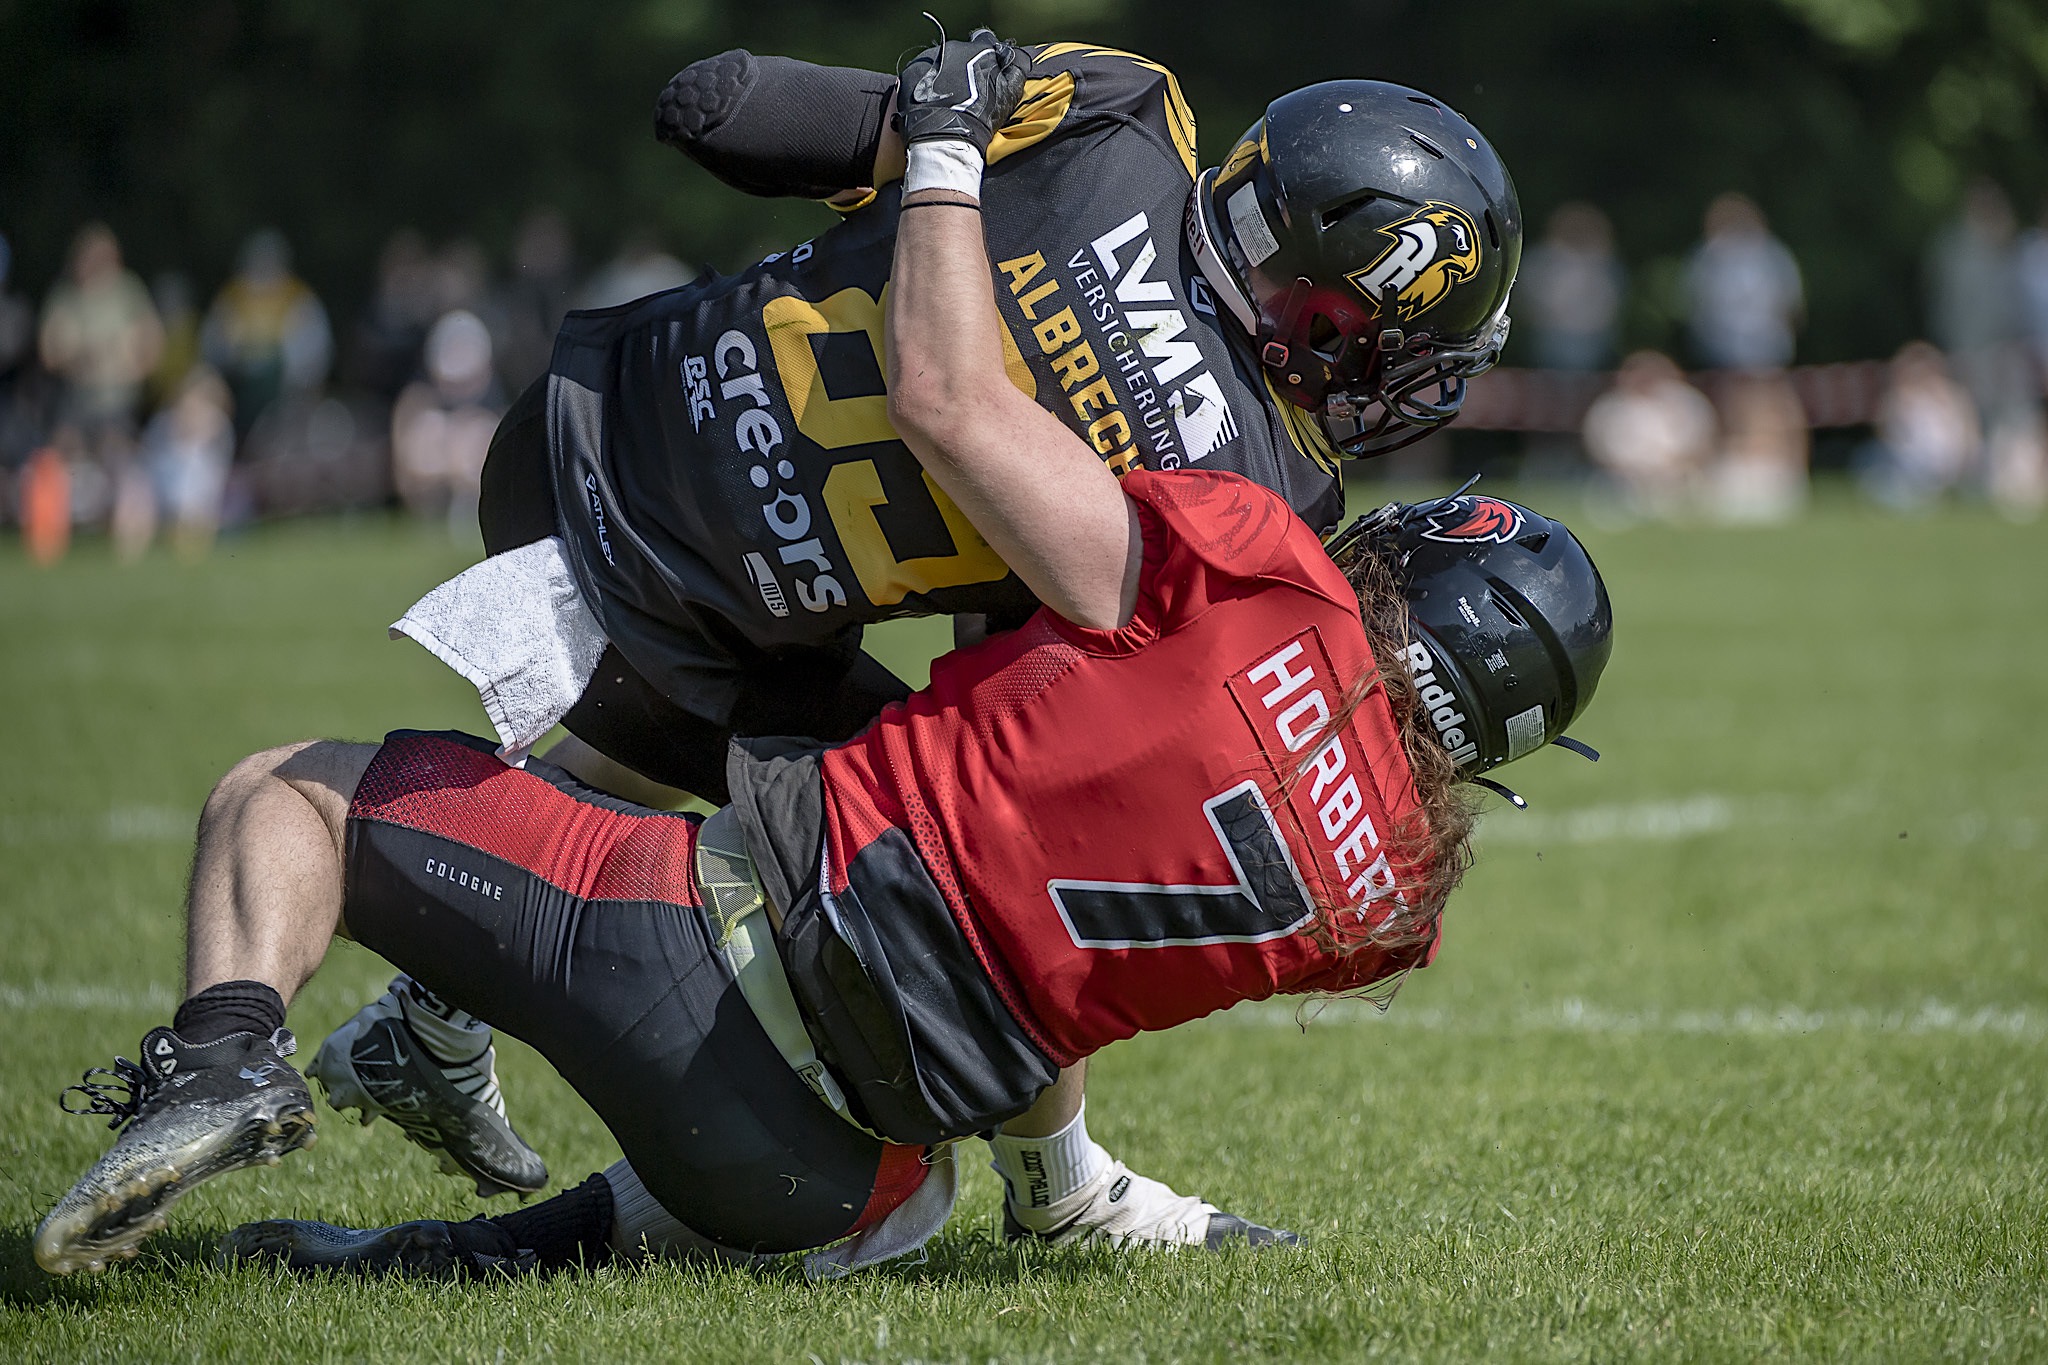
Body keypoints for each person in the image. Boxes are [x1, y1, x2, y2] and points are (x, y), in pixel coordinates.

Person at [33, 47, 1612, 1278]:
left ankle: (417, 1026)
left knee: (938, 819)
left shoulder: (1126, 119)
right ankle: (1054, 1187)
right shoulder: (1261, 501)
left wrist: (936, 133)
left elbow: (712, 109)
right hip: (700, 643)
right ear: (1350, 313)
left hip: (591, 434)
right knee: (974, 836)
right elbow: (1030, 654)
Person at [1684, 193, 1801, 372]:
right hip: (1720, 352)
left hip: (1768, 348)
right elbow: (1696, 306)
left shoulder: (1772, 253)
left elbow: (1790, 303)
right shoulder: (1705, 258)